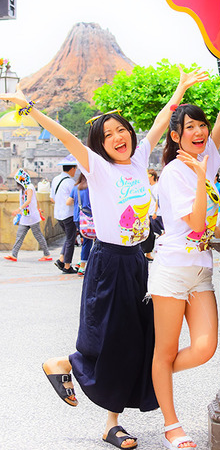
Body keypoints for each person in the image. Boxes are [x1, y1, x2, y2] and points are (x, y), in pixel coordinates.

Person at [0, 66, 208, 450]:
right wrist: (30, 108)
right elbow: (64, 134)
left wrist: (178, 90)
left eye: (122, 130)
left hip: (138, 262)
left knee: (134, 341)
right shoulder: (96, 167)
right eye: (108, 134)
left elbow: (162, 121)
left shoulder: (140, 157)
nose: (118, 137)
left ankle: (107, 418)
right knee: (111, 339)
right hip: (108, 261)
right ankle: (69, 369)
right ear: (99, 142)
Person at [148, 89, 220, 450]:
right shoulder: (175, 172)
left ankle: (152, 375)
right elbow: (197, 225)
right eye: (191, 127)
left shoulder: (204, 161)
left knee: (204, 348)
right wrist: (204, 176)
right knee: (166, 350)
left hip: (200, 270)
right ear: (176, 136)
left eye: (201, 125)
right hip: (172, 270)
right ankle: (172, 426)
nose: (200, 131)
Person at [4, 169, 51, 262]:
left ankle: (47, 254)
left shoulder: (29, 187)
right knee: (19, 235)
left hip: (32, 217)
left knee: (38, 236)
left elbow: (29, 200)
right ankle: (14, 255)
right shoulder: (23, 189)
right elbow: (34, 200)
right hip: (25, 217)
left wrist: (19, 209)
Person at [50, 156, 78, 274]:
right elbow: (73, 199)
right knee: (71, 240)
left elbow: (52, 198)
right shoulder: (70, 182)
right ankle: (67, 266)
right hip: (68, 214)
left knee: (68, 238)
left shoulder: (55, 179)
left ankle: (61, 259)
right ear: (72, 169)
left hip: (58, 214)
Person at [66, 173, 93, 276]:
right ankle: (82, 266)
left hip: (78, 218)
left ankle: (80, 261)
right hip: (89, 219)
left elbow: (68, 202)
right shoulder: (91, 187)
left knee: (85, 240)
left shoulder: (76, 188)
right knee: (88, 242)